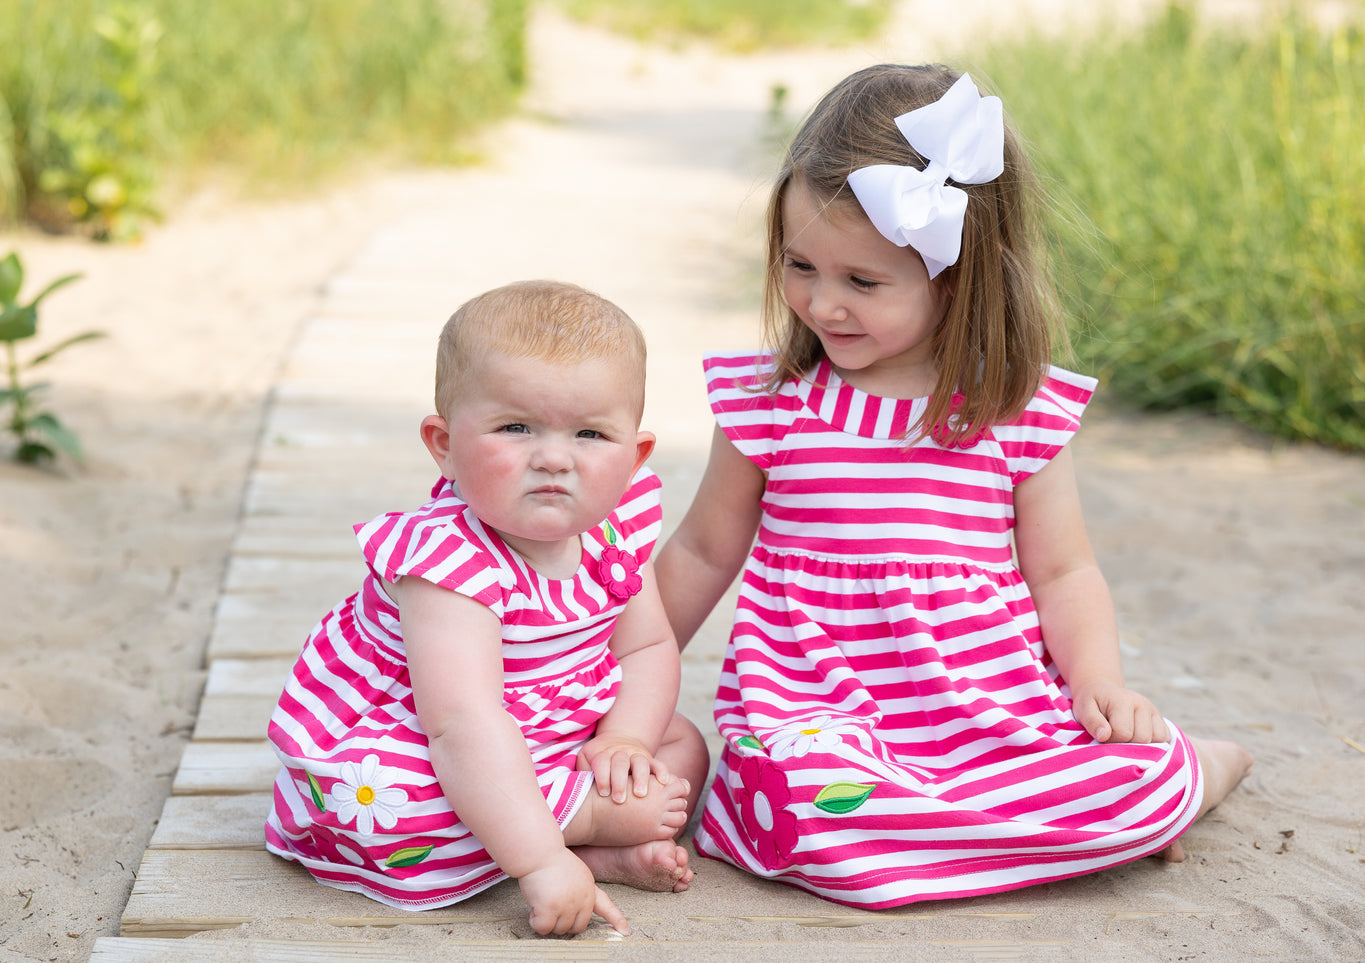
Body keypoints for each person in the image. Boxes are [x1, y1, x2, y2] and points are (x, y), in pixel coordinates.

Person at [655, 64, 1252, 909]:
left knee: (1136, 778)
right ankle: (1001, 834)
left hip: (983, 714)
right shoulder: (771, 402)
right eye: (799, 266)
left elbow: (1062, 572)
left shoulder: (1014, 407)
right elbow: (700, 549)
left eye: (862, 282)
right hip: (822, 714)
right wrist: (617, 686)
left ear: (958, 274)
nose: (821, 305)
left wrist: (1095, 680)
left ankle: (1201, 770)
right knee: (798, 806)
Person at [266, 280, 710, 936]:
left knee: (680, 742)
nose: (554, 457)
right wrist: (539, 862)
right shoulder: (448, 564)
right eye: (515, 427)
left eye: (590, 433)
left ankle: (593, 847)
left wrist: (624, 738)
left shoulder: (616, 522)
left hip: (554, 722)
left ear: (635, 454)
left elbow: (645, 647)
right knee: (400, 808)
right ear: (443, 442)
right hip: (426, 736)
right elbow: (461, 722)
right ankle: (573, 837)